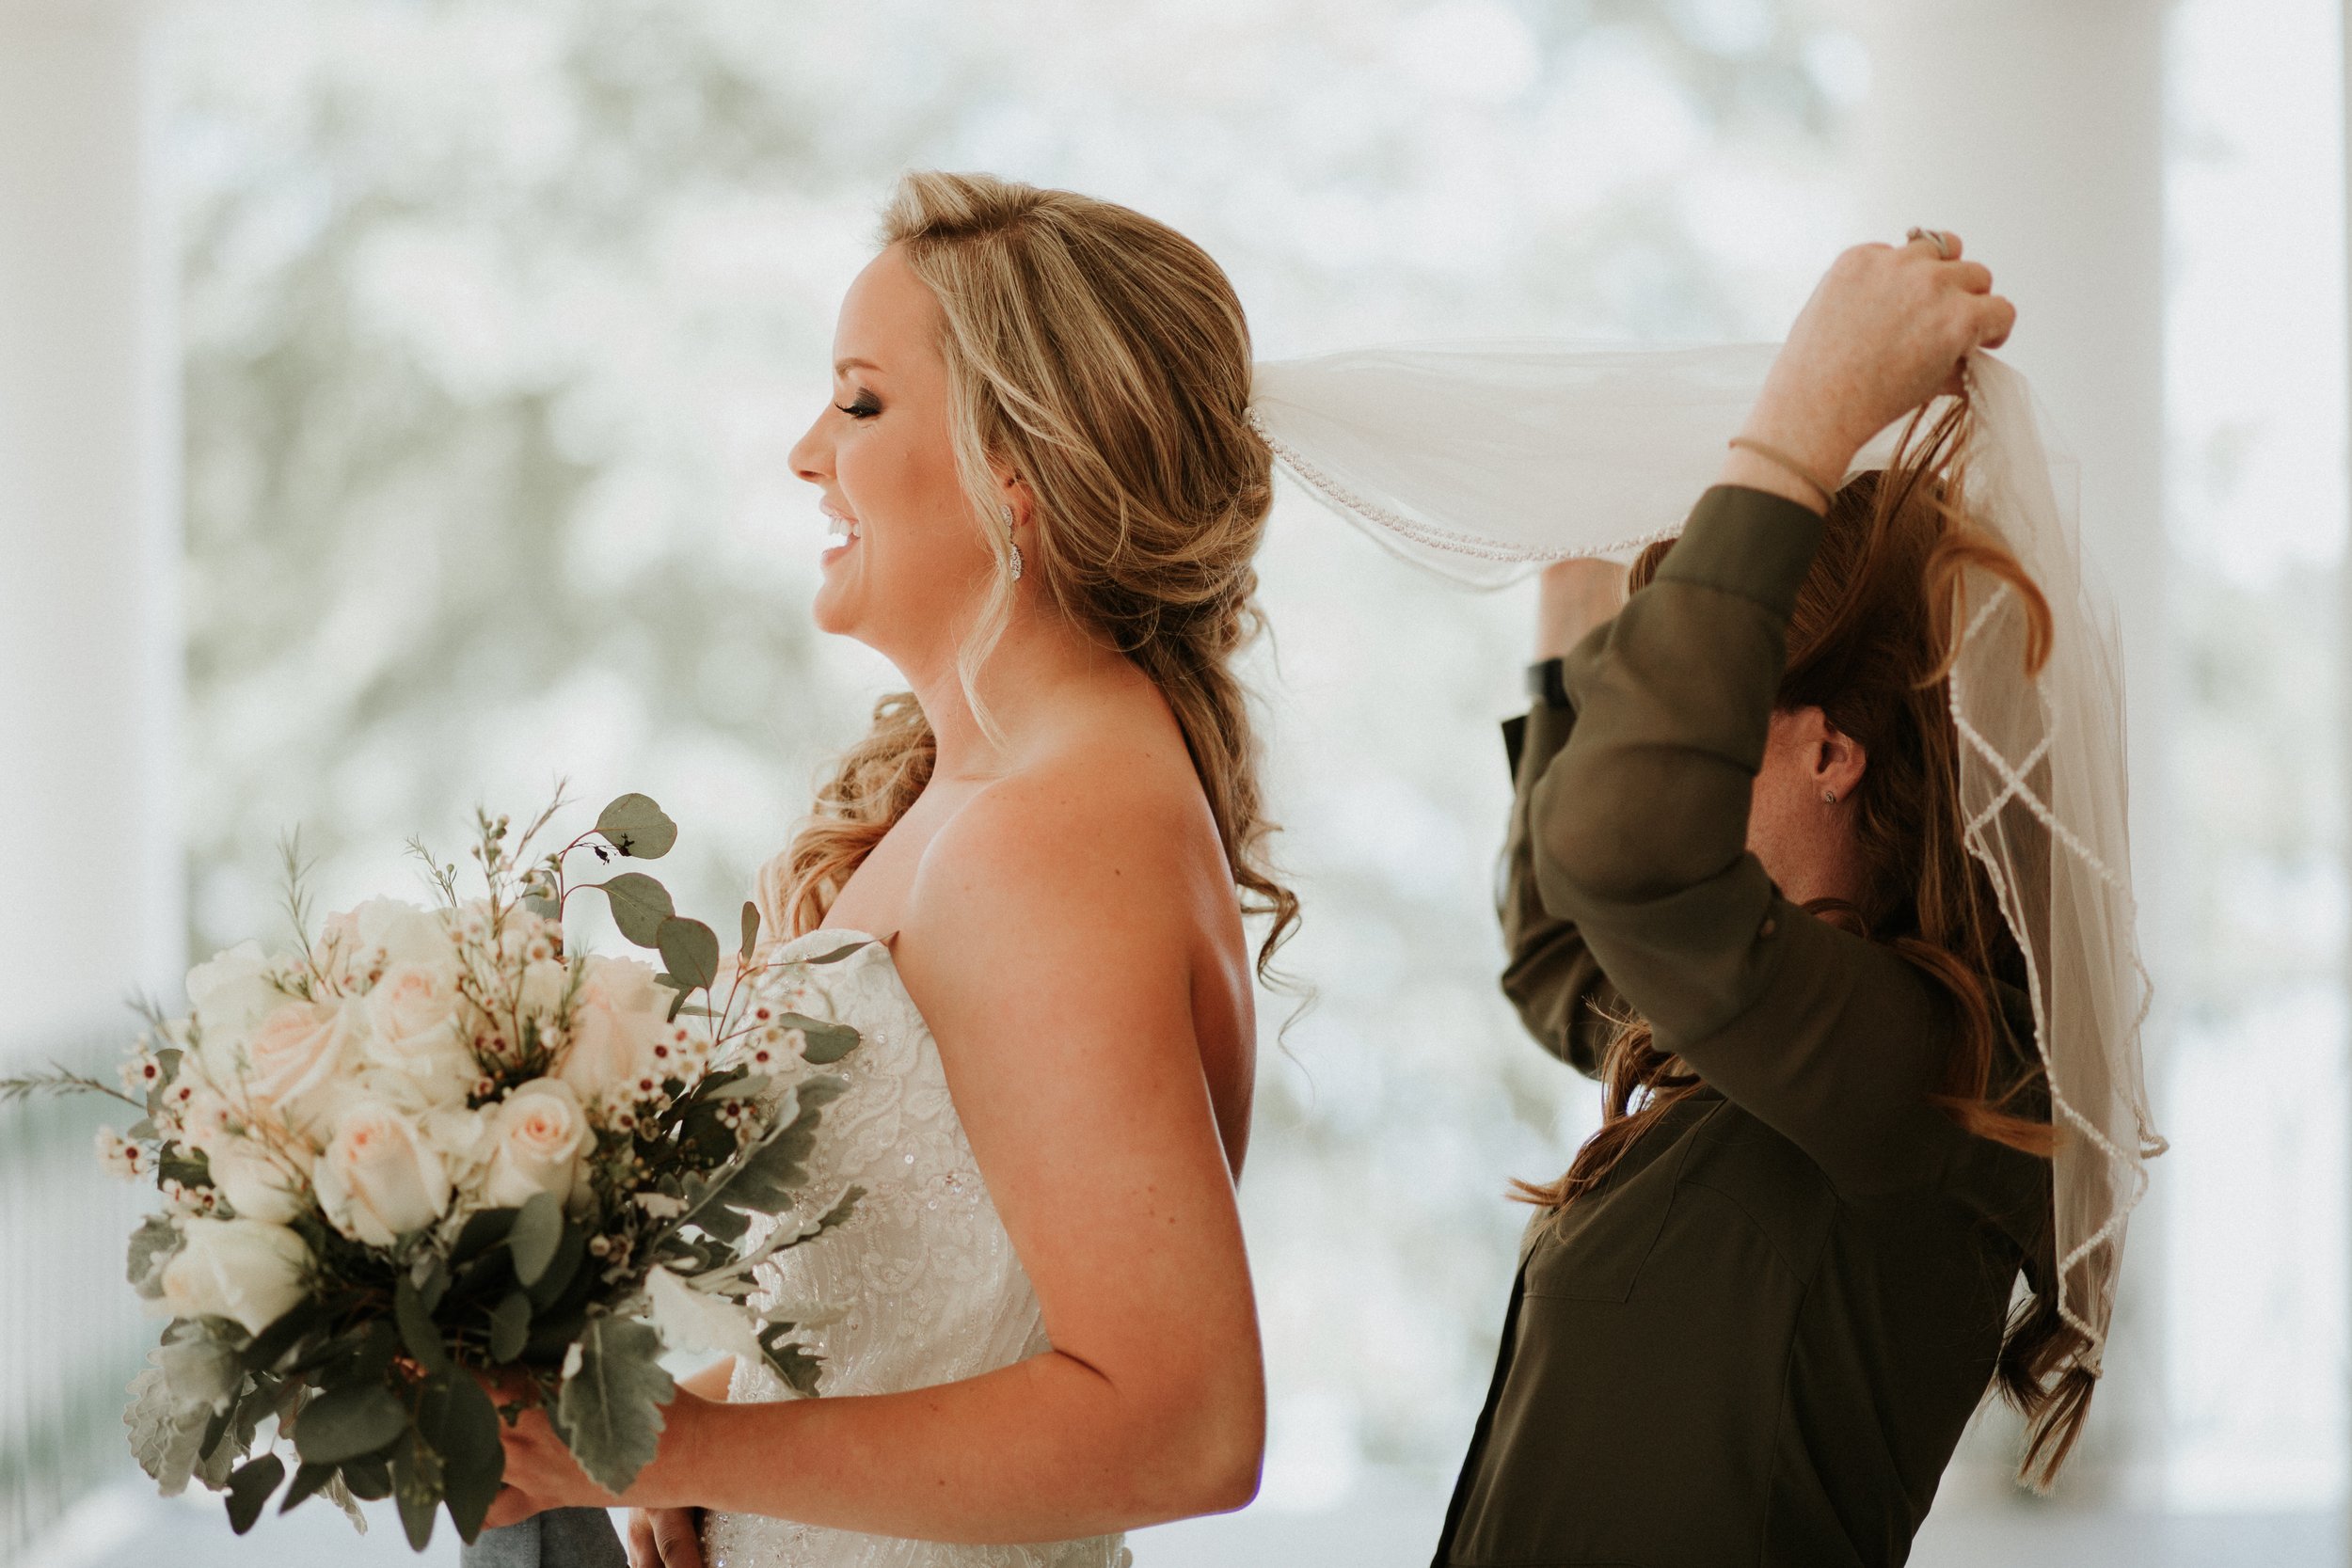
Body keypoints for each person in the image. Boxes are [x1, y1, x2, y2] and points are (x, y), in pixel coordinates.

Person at [480, 171, 1280, 1568]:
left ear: (1018, 469)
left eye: (858, 402)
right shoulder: (988, 792)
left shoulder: (1049, 835)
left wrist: (687, 1448)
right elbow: (961, 1308)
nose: (806, 453)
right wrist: (731, 1412)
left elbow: (1183, 1425)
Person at [1436, 235, 2091, 1567]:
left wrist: (1800, 429)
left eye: (1690, 691)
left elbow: (1620, 853)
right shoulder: (1792, 1040)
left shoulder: (1922, 1068)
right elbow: (1564, 951)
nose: (1648, 716)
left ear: (1830, 751)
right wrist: (1576, 616)